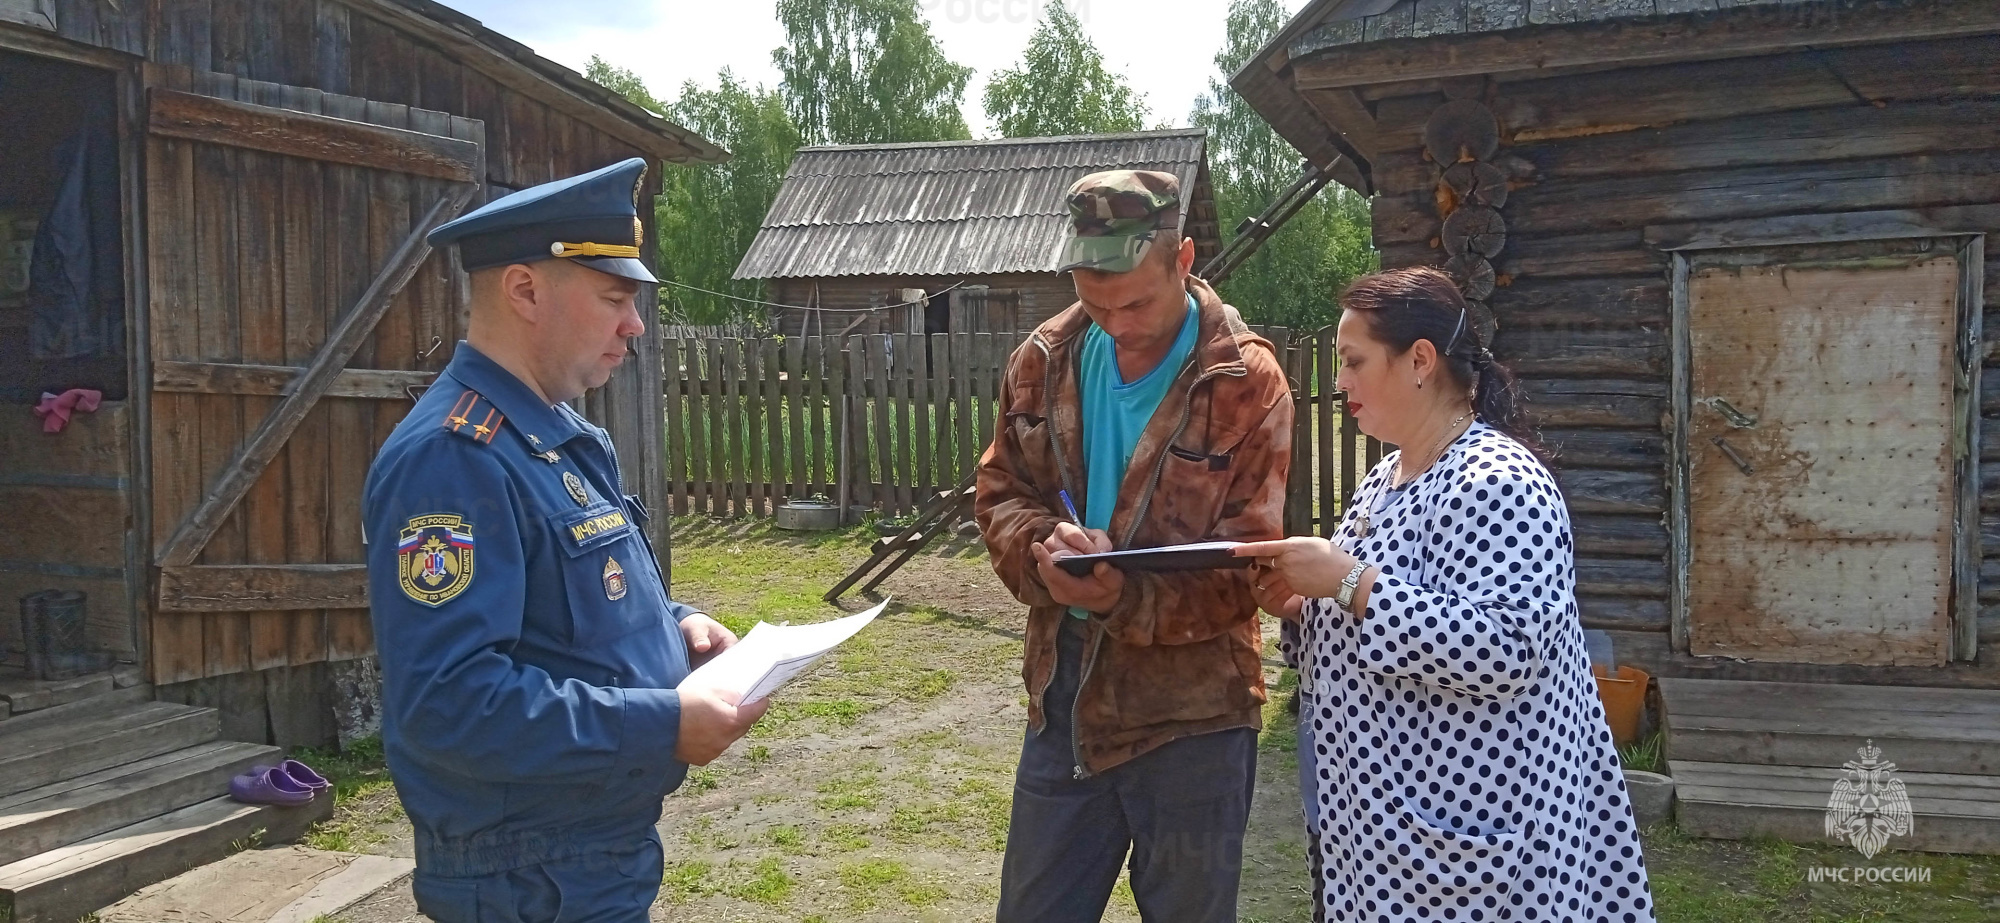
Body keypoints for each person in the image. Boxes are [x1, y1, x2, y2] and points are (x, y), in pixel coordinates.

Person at [362, 158, 766, 923]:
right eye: (615, 297)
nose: (634, 324)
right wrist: (661, 722)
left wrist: (673, 622)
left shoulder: (560, 435)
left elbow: (577, 601)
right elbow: (448, 702)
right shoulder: (455, 456)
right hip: (525, 874)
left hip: (586, 857)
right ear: (524, 290)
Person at [1235, 267, 1655, 923]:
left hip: (1482, 856)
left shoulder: (1501, 480)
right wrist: (1299, 604)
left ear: (1420, 361)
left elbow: (1508, 646)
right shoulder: (1385, 480)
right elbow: (1373, 622)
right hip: (1389, 846)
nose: (1338, 380)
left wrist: (1348, 580)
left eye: (1353, 361)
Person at [974, 169, 1294, 923]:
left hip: (1197, 716)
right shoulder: (1042, 358)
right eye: (1094, 301)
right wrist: (1041, 548)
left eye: (1137, 301)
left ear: (1184, 259)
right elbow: (999, 493)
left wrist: (1124, 596)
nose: (1115, 323)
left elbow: (1248, 562)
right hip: (1067, 698)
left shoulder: (1247, 381)